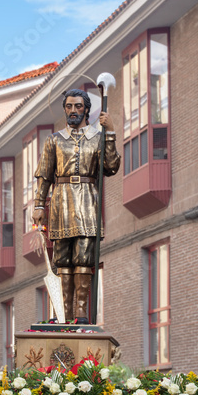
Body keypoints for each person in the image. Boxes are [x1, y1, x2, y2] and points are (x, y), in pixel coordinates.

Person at [32, 89, 120, 324]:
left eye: (78, 106)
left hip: (88, 203)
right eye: (69, 106)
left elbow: (111, 167)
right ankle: (63, 314)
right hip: (61, 203)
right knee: (62, 261)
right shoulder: (54, 140)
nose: (73, 111)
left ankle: (81, 313)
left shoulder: (98, 137)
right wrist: (39, 204)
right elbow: (44, 175)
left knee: (83, 258)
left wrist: (110, 132)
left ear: (87, 109)